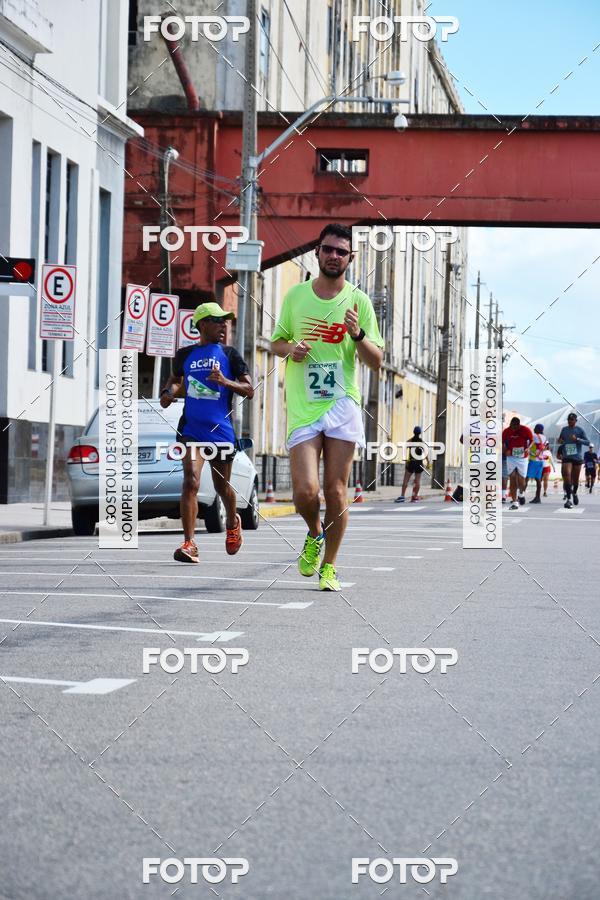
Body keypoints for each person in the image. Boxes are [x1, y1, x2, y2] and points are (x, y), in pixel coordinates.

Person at [270, 223, 384, 591]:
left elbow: (377, 360)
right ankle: (314, 533)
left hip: (342, 402)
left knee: (335, 490)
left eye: (341, 251)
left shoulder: (359, 302)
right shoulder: (295, 297)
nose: (334, 256)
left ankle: (330, 566)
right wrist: (292, 350)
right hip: (304, 404)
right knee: (305, 492)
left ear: (351, 258)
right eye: (328, 249)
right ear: (317, 253)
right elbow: (276, 343)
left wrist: (358, 335)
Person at [159, 302, 254, 562]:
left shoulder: (230, 354)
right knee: (191, 481)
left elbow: (249, 389)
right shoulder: (184, 354)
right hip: (191, 430)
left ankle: (233, 523)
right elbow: (176, 381)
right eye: (217, 320)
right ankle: (189, 544)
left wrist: (225, 381)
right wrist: (169, 393)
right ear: (201, 324)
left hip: (221, 432)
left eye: (225, 321)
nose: (223, 325)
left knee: (223, 488)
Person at [557, 411, 589, 508]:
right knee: (567, 475)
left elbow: (587, 442)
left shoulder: (580, 430)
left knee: (575, 479)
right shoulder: (564, 429)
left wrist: (577, 440)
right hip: (567, 457)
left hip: (577, 457)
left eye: (572, 420)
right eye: (568, 420)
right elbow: (560, 440)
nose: (570, 421)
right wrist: (560, 441)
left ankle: (574, 493)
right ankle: (568, 499)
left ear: (575, 421)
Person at [502, 417, 533, 510]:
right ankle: (515, 502)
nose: (513, 429)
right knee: (512, 478)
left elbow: (531, 441)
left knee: (521, 480)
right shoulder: (506, 431)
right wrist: (505, 450)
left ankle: (521, 494)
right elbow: (502, 442)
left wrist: (528, 448)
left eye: (515, 427)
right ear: (510, 424)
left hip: (522, 457)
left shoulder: (526, 430)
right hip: (511, 457)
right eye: (512, 426)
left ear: (518, 425)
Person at [395, 426, 426, 502]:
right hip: (419, 463)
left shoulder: (410, 441)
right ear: (420, 433)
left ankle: (402, 496)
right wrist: (427, 462)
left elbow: (404, 449)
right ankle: (414, 496)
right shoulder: (422, 442)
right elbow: (426, 453)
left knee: (406, 480)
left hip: (411, 462)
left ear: (413, 432)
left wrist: (406, 460)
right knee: (417, 481)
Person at [526, 423, 547, 504]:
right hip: (541, 460)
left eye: (535, 428)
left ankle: (521, 496)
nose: (534, 429)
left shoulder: (534, 436)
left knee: (526, 478)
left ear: (538, 429)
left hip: (534, 460)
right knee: (538, 480)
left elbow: (528, 443)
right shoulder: (544, 437)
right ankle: (537, 497)